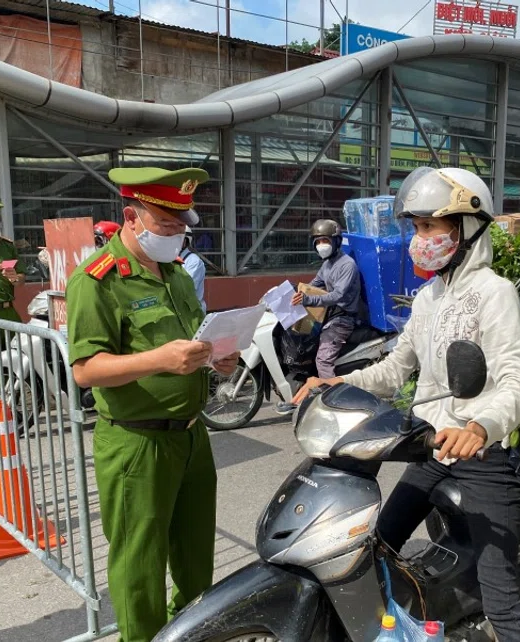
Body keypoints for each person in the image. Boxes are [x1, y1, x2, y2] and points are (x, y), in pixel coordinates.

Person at [293, 167, 520, 641]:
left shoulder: (493, 293)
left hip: (481, 454)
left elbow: (514, 381)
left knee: (500, 599)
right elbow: (394, 369)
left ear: (466, 229)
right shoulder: (429, 297)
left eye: (430, 227)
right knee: (375, 550)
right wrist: (334, 380)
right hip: (430, 446)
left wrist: (480, 428)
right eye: (417, 228)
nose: (419, 239)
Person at [65, 166, 239, 642]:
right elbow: (85, 369)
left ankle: (191, 633)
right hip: (135, 443)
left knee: (194, 553)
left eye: (182, 224)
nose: (177, 234)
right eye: (166, 224)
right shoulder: (97, 279)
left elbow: (192, 340)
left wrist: (214, 359)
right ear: (132, 216)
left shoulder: (177, 274)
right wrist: (158, 359)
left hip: (190, 436)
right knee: (140, 565)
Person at [277, 219, 363, 415]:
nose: (321, 245)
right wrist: (296, 293)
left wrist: (308, 299)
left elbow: (337, 296)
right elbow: (314, 284)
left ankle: (334, 403)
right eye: (317, 242)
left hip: (342, 319)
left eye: (324, 240)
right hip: (328, 316)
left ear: (336, 241)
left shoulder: (347, 265)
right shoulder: (327, 264)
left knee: (323, 360)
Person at [180, 225, 207, 313]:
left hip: (193, 312)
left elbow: (186, 289)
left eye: (178, 238)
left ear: (186, 241)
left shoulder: (193, 261)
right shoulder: (170, 259)